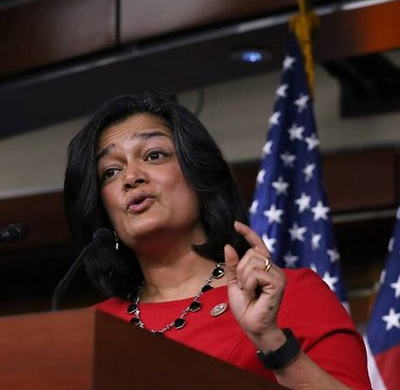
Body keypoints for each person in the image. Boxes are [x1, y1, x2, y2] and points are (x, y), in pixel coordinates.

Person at [64, 91, 372, 389]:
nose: (131, 177)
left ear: (199, 175)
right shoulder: (90, 329)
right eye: (111, 171)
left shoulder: (289, 295)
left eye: (154, 155)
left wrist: (271, 341)